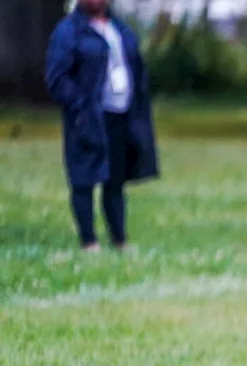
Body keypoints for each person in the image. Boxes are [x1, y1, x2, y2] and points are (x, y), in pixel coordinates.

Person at [45, 0, 158, 251]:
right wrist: (80, 105)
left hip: (119, 115)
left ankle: (119, 239)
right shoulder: (69, 31)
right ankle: (89, 241)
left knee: (115, 180)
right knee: (83, 178)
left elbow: (136, 69)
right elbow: (57, 77)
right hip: (88, 117)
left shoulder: (121, 29)